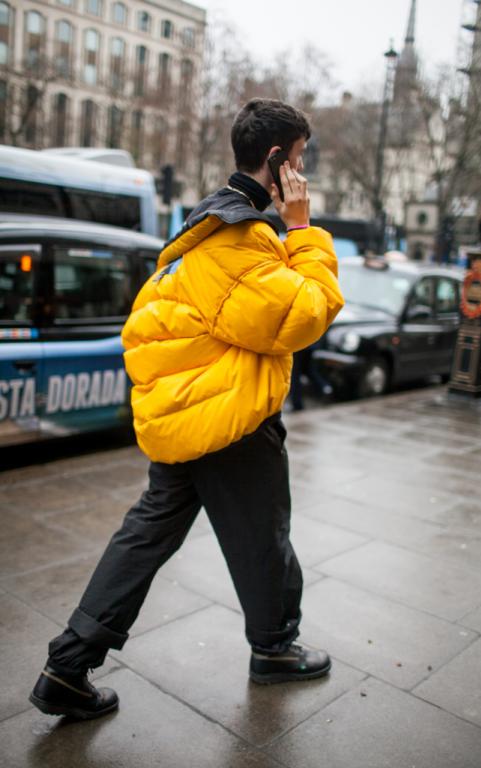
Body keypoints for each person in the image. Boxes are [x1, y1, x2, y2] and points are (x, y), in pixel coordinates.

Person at [29, 98, 344, 720]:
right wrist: (303, 228)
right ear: (278, 160)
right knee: (263, 539)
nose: (304, 175)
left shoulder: (204, 222)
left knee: (146, 536)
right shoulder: (240, 236)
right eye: (301, 160)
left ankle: (68, 666)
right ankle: (276, 649)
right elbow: (304, 315)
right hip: (229, 417)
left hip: (191, 409)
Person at [288, 344, 333, 411]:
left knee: (295, 376)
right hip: (309, 346)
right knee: (309, 371)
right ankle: (325, 387)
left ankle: (297, 404)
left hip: (296, 348)